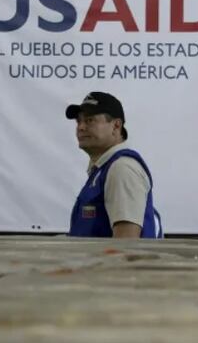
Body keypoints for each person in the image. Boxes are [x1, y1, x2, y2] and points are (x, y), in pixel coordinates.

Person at [66, 92, 162, 238]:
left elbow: (126, 244)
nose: (81, 127)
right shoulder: (105, 168)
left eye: (90, 120)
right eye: (78, 121)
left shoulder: (122, 168)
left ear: (116, 126)